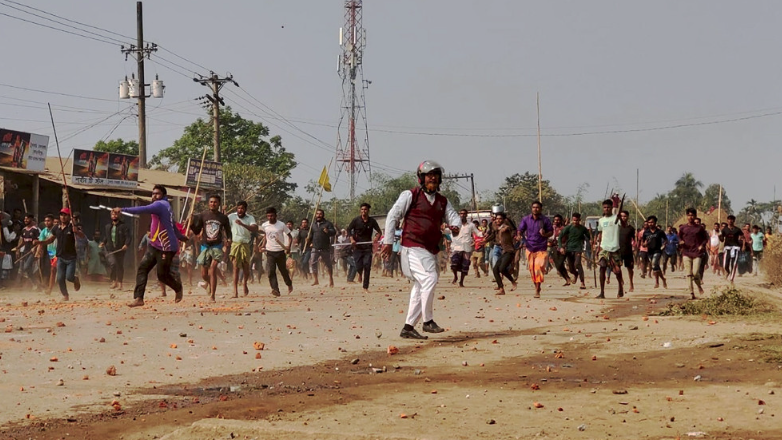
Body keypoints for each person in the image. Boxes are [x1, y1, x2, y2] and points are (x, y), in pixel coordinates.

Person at [382, 160, 460, 340]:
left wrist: (454, 227)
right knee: (430, 278)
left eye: (435, 176)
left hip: (430, 249)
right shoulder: (411, 195)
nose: (432, 178)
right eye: (428, 175)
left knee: (421, 286)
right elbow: (393, 216)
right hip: (412, 246)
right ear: (421, 178)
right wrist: (387, 242)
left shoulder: (442, 201)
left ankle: (408, 327)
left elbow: (454, 218)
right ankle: (428, 321)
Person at [119, 185, 186, 307]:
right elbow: (172, 225)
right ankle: (139, 298)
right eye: (153, 193)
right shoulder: (166, 206)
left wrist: (123, 209)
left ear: (163, 196)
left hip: (166, 247)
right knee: (143, 269)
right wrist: (180, 236)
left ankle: (178, 288)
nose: (154, 196)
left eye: (157, 194)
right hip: (154, 244)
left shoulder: (160, 205)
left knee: (162, 275)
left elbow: (142, 209)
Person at [35, 208, 84, 301]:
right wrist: (40, 242)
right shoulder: (56, 228)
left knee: (69, 277)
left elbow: (82, 236)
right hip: (60, 256)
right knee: (60, 278)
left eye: (65, 215)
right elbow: (50, 240)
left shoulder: (72, 227)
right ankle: (65, 295)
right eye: (61, 215)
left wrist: (76, 231)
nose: (63, 217)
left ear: (69, 216)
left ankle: (75, 279)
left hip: (71, 257)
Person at [190, 195, 232, 302]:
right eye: (211, 202)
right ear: (208, 203)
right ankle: (209, 284)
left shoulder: (223, 218)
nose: (213, 204)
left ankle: (212, 295)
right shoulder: (203, 215)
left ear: (219, 204)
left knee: (213, 269)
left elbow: (228, 231)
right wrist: (191, 224)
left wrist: (229, 239)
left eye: (215, 202)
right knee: (204, 274)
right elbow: (196, 231)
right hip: (205, 246)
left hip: (217, 246)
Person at [516, 201, 554, 298]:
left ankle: (537, 289)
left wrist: (545, 234)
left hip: (541, 247)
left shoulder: (545, 220)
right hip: (530, 247)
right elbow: (520, 229)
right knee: (532, 270)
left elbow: (551, 232)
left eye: (537, 207)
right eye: (534, 207)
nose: (535, 209)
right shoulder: (526, 219)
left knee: (538, 268)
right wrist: (519, 235)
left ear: (541, 209)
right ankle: (536, 286)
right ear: (531, 208)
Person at [347, 202, 382, 293]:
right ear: (360, 211)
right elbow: (348, 229)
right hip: (357, 246)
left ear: (368, 211)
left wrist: (376, 237)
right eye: (362, 209)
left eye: (365, 209)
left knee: (367, 265)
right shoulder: (356, 220)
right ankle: (359, 273)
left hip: (367, 247)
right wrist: (351, 239)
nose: (363, 211)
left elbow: (379, 231)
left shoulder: (372, 221)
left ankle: (365, 287)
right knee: (358, 266)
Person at [260, 207, 293, 297]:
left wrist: (288, 247)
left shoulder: (281, 225)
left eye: (272, 216)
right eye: (268, 216)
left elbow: (290, 236)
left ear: (275, 216)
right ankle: (275, 289)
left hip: (280, 251)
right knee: (271, 271)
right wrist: (263, 246)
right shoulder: (265, 225)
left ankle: (289, 283)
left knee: (283, 271)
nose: (270, 218)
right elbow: (265, 236)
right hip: (270, 252)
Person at [227, 201, 258, 297]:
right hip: (235, 244)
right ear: (237, 208)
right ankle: (235, 290)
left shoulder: (250, 218)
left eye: (242, 208)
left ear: (245, 209)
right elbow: (224, 224)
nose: (240, 210)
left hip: (245, 244)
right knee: (235, 267)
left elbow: (254, 228)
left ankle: (245, 284)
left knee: (245, 267)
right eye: (239, 208)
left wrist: (242, 224)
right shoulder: (231, 216)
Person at [595, 199, 624, 299]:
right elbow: (600, 233)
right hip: (604, 248)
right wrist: (598, 248)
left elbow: (623, 226)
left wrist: (621, 219)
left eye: (608, 207)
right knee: (602, 267)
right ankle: (602, 292)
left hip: (615, 247)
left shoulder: (617, 218)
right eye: (604, 207)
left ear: (612, 208)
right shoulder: (601, 221)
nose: (606, 209)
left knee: (617, 271)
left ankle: (620, 288)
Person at [678, 208, 709, 299]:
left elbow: (705, 238)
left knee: (695, 273)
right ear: (686, 216)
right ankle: (691, 293)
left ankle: (699, 286)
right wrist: (681, 241)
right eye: (689, 215)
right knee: (688, 274)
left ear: (695, 216)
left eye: (692, 215)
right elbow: (678, 237)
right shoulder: (683, 228)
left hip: (697, 253)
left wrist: (702, 245)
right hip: (686, 253)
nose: (690, 217)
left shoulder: (700, 228)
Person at [101, 208, 131, 290]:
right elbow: (106, 236)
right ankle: (114, 281)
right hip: (111, 249)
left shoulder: (124, 226)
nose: (114, 216)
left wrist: (126, 244)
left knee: (120, 265)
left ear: (119, 215)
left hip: (120, 249)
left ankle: (120, 283)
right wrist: (103, 242)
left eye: (116, 214)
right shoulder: (108, 227)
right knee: (113, 264)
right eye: (113, 214)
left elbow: (128, 237)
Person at [450, 209, 480, 287]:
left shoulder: (471, 225)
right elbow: (447, 232)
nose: (462, 215)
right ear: (459, 214)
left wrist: (483, 235)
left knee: (465, 265)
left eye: (464, 214)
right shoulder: (454, 225)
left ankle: (461, 282)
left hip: (466, 248)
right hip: (456, 247)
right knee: (453, 264)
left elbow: (477, 233)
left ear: (466, 215)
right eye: (461, 213)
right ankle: (455, 276)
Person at [559, 213, 589, 290]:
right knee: (571, 268)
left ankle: (582, 282)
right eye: (574, 220)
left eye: (577, 220)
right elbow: (560, 236)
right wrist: (560, 247)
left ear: (579, 220)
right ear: (572, 220)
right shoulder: (568, 228)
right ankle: (575, 274)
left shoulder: (583, 228)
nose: (575, 222)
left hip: (578, 249)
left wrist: (590, 236)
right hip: (569, 249)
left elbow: (588, 236)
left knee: (577, 264)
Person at [309, 209, 337, 287]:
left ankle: (331, 279)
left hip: (325, 247)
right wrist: (309, 241)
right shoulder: (313, 224)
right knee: (313, 263)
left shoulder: (327, 223)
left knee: (328, 264)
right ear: (315, 215)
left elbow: (334, 232)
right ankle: (316, 280)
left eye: (320, 214)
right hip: (315, 247)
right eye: (317, 214)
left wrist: (328, 231)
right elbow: (310, 235)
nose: (318, 215)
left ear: (323, 215)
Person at [492, 211, 517, 295]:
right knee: (495, 269)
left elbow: (507, 228)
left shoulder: (506, 227)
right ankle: (501, 288)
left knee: (502, 268)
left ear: (503, 219)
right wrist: (484, 240)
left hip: (510, 251)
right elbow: (493, 234)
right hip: (504, 252)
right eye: (497, 219)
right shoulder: (496, 228)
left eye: (500, 219)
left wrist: (503, 229)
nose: (498, 220)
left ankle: (513, 281)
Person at [642, 216, 668, 289]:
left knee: (654, 263)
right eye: (649, 222)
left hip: (658, 251)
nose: (650, 224)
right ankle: (662, 279)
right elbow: (642, 243)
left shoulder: (660, 232)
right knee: (655, 267)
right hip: (650, 251)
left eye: (652, 222)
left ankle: (657, 282)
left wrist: (664, 245)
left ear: (655, 223)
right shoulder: (646, 232)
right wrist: (644, 244)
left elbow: (666, 240)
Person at [18, 214, 41, 289]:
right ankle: (37, 284)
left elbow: (39, 241)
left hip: (32, 252)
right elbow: (23, 241)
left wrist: (36, 249)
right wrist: (17, 248)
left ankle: (36, 283)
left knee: (26, 267)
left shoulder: (35, 229)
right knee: (28, 269)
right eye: (25, 219)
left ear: (31, 219)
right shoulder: (24, 230)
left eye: (27, 219)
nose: (25, 220)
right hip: (25, 251)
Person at [720, 215, 744, 282]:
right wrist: (720, 237)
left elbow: (743, 237)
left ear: (734, 221)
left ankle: (731, 279)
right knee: (725, 265)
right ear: (727, 220)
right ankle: (727, 272)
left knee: (734, 264)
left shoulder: (737, 229)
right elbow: (722, 239)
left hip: (736, 248)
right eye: (729, 219)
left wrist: (743, 245)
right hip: (727, 248)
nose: (730, 221)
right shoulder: (724, 229)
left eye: (731, 219)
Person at [616, 211, 636, 293]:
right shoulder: (616, 227)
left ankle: (631, 283)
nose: (623, 218)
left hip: (628, 251)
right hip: (618, 250)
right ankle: (621, 282)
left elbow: (634, 240)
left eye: (625, 216)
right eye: (621, 216)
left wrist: (635, 246)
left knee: (630, 269)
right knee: (618, 269)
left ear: (628, 217)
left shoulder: (631, 228)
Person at [38, 214, 56, 295]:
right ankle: (49, 287)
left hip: (59, 252)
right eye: (45, 221)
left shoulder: (56, 229)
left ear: (52, 221)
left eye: (48, 221)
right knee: (50, 269)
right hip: (50, 252)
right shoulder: (44, 231)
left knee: (54, 269)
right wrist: (38, 251)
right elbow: (41, 243)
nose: (46, 222)